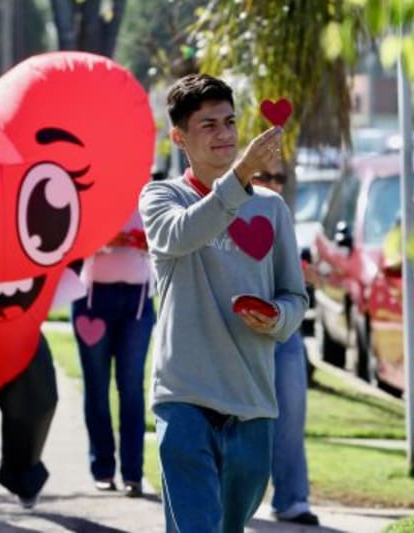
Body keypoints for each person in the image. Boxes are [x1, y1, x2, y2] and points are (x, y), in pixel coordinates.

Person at [139, 73, 308, 532]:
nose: (226, 134)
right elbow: (180, 234)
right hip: (184, 399)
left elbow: (295, 297)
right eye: (209, 124)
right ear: (179, 137)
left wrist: (276, 318)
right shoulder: (161, 197)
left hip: (253, 404)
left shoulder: (272, 209)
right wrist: (238, 177)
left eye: (230, 121)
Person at [71, 210, 156, 498]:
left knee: (132, 388)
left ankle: (133, 473)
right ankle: (103, 469)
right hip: (92, 298)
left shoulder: (152, 195)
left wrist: (151, 243)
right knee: (96, 386)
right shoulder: (96, 191)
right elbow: (70, 241)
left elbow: (172, 245)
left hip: (138, 301)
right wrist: (103, 240)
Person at [252, 170, 319, 526]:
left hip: (285, 330)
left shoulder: (282, 216)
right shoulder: (231, 212)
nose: (274, 182)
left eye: (278, 177)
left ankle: (292, 499)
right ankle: (225, 497)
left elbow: (297, 282)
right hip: (243, 331)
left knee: (291, 413)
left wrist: (307, 276)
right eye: (265, 176)